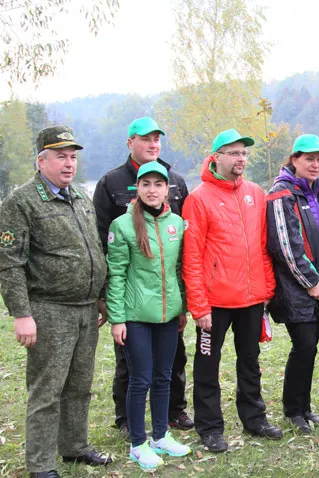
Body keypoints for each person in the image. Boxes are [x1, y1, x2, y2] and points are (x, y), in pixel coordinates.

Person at [0, 126, 111, 478]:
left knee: (80, 385)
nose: (69, 163)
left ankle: (75, 448)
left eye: (73, 156)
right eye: (60, 156)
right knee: (47, 391)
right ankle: (41, 465)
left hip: (85, 308)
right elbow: (9, 262)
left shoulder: (79, 197)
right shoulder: (22, 202)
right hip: (49, 311)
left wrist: (102, 297)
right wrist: (21, 313)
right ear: (41, 160)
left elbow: (94, 250)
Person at [93, 117, 192, 438]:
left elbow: (182, 251)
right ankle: (126, 420)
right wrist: (107, 300)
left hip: (166, 301)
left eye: (157, 139)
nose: (152, 144)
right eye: (145, 139)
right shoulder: (111, 183)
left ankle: (174, 413)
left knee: (173, 358)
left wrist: (185, 303)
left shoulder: (175, 180)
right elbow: (103, 246)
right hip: (132, 300)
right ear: (129, 142)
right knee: (131, 364)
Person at [182, 128, 281, 452]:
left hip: (251, 299)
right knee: (207, 365)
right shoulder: (198, 199)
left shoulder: (255, 192)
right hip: (215, 303)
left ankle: (255, 419)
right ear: (217, 157)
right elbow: (192, 256)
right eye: (234, 153)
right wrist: (199, 306)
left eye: (244, 153)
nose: (241, 159)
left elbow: (263, 246)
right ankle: (209, 427)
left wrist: (267, 288)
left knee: (250, 362)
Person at [106, 161, 191, 470]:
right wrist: (117, 318)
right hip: (136, 316)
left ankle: (160, 435)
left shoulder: (176, 224)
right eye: (146, 185)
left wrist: (182, 307)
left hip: (168, 315)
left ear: (166, 189)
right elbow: (115, 275)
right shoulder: (123, 225)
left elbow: (179, 270)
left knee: (163, 376)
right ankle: (138, 443)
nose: (152, 190)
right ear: (138, 189)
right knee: (140, 379)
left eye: (158, 184)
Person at [266, 134, 319, 433]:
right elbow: (285, 246)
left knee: (310, 348)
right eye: (308, 159)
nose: (315, 164)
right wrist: (311, 283)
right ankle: (292, 409)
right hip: (295, 290)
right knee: (303, 346)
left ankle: (305, 406)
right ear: (294, 160)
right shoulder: (281, 194)